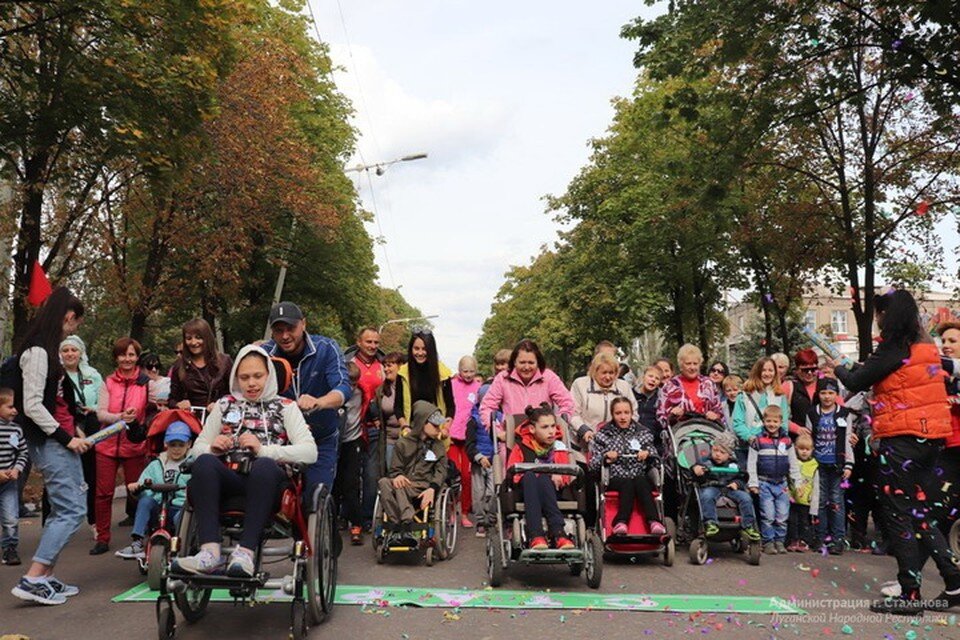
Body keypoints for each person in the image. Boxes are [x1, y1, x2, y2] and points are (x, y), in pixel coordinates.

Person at [834, 290, 960, 614]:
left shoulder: (894, 346)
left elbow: (857, 380)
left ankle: (910, 594)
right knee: (918, 512)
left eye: (879, 313)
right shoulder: (926, 346)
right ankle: (954, 580)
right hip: (931, 440)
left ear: (889, 315)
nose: (876, 319)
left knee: (897, 513)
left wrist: (839, 368)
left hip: (902, 440)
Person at [173, 345, 317, 577]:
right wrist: (213, 448)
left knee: (264, 465)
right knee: (204, 462)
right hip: (230, 479)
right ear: (236, 378)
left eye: (258, 376)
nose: (251, 383)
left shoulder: (286, 407)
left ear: (269, 375)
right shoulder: (223, 405)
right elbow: (196, 449)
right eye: (245, 377)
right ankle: (209, 552)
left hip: (270, 482)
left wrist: (264, 450)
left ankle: (246, 553)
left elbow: (310, 452)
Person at [11, 287, 90, 606]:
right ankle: (33, 576)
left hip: (62, 440)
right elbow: (31, 405)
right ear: (69, 317)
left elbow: (56, 402)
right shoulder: (38, 352)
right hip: (51, 443)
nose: (75, 329)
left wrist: (75, 430)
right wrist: (65, 438)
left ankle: (44, 576)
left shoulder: (49, 350)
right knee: (72, 510)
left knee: (66, 509)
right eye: (76, 323)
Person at [263, 301, 350, 492]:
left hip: (321, 437)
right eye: (278, 330)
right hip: (279, 439)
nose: (285, 336)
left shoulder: (327, 348)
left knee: (316, 492)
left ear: (303, 324)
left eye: (291, 328)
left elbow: (343, 386)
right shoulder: (264, 355)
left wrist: (320, 402)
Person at [91, 337, 151, 555]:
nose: (127, 359)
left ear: (137, 357)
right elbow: (100, 412)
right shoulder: (107, 382)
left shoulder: (145, 382)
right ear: (116, 357)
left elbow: (154, 408)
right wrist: (119, 418)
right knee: (103, 493)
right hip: (106, 445)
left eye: (132, 354)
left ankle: (141, 535)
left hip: (134, 445)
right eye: (123, 354)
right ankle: (102, 538)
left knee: (138, 491)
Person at [114, 421, 192, 559]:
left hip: (179, 506)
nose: (177, 449)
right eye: (173, 445)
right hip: (158, 505)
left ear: (189, 445)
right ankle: (137, 542)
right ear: (166, 444)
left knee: (183, 516)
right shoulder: (156, 465)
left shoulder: (192, 465)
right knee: (145, 501)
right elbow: (144, 481)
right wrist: (137, 486)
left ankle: (181, 548)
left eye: (181, 445)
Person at [589, 397, 663, 535]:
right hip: (615, 477)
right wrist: (605, 457)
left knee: (641, 481)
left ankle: (654, 521)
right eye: (618, 413)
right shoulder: (603, 435)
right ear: (612, 414)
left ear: (631, 413)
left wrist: (647, 453)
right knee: (627, 483)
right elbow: (593, 464)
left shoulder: (643, 433)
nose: (623, 417)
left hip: (638, 475)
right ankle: (620, 522)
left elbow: (656, 458)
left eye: (626, 413)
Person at [505, 403, 575, 550]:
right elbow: (513, 474)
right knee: (531, 475)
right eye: (545, 427)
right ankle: (536, 535)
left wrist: (558, 474)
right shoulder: (521, 447)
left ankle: (559, 533)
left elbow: (567, 477)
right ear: (532, 429)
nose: (551, 431)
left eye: (553, 426)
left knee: (543, 478)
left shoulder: (559, 448)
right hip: (526, 490)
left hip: (554, 492)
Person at [376, 401, 447, 530]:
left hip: (424, 485)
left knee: (399, 487)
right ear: (422, 423)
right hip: (405, 483)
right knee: (384, 483)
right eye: (435, 426)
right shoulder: (402, 443)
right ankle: (396, 521)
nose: (439, 429)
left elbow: (441, 471)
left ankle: (407, 522)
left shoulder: (438, 446)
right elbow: (395, 469)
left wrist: (432, 489)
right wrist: (397, 476)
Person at [479, 339, 575, 431]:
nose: (526, 367)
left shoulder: (549, 377)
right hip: (512, 438)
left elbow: (568, 403)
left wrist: (555, 426)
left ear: (538, 362)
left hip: (544, 440)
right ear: (514, 362)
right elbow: (487, 407)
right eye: (522, 362)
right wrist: (496, 431)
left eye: (531, 363)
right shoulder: (502, 378)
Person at [805, 377, 854, 555]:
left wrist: (849, 464)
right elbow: (809, 438)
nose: (827, 397)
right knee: (819, 502)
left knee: (836, 501)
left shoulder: (844, 414)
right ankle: (820, 536)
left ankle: (838, 539)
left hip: (837, 464)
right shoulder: (812, 413)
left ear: (836, 395)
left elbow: (848, 439)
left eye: (831, 393)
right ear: (818, 394)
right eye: (823, 393)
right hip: (818, 464)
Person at [60, 336, 102, 538]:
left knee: (91, 474)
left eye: (73, 350)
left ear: (80, 352)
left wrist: (93, 408)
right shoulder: (56, 375)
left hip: (92, 423)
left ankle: (94, 521)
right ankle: (56, 524)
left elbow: (104, 401)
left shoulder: (92, 374)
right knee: (63, 474)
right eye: (65, 350)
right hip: (65, 426)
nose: (69, 354)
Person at [343, 327, 385, 531]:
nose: (373, 346)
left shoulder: (383, 365)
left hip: (375, 428)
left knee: (370, 475)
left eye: (376, 342)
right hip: (351, 427)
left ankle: (367, 518)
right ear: (358, 342)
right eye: (368, 342)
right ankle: (347, 515)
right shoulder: (347, 364)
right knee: (348, 476)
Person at [748, 405, 800, 554]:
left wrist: (797, 480)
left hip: (782, 483)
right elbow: (751, 463)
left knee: (782, 515)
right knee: (768, 515)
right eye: (768, 421)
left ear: (780, 422)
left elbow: (793, 462)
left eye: (775, 421)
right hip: (764, 482)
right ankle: (768, 542)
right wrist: (753, 482)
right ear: (763, 421)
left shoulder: (787, 440)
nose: (772, 424)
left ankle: (780, 541)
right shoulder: (758, 440)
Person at [690, 431, 760, 541]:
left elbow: (743, 477)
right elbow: (697, 476)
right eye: (715, 450)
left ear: (729, 454)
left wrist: (737, 483)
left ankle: (748, 525)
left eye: (722, 452)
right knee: (706, 495)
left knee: (746, 498)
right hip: (712, 486)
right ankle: (710, 523)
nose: (717, 454)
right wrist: (696, 471)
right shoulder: (705, 462)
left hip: (729, 488)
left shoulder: (734, 464)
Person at [569, 352, 638, 450]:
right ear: (595, 371)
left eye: (611, 373)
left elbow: (633, 413)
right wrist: (583, 430)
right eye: (604, 373)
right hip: (583, 445)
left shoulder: (624, 387)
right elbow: (572, 413)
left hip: (615, 446)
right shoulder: (580, 384)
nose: (608, 377)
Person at [731, 356, 791, 470]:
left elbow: (784, 423)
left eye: (770, 370)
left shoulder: (780, 396)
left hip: (771, 449)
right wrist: (750, 438)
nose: (767, 374)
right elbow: (738, 422)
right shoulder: (744, 396)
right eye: (764, 370)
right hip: (749, 448)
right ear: (757, 372)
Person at [169, 318, 232, 415]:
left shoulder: (225, 362)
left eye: (198, 337)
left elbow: (235, 393)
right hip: (189, 419)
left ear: (207, 337)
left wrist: (221, 404)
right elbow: (172, 399)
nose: (194, 342)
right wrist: (179, 404)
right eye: (189, 338)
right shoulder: (179, 366)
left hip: (220, 417)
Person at [656, 344, 725, 431]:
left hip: (707, 432)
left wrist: (715, 416)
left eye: (695, 363)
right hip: (680, 435)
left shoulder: (708, 384)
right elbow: (660, 417)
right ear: (681, 365)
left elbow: (719, 413)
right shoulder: (670, 386)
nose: (692, 367)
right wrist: (672, 415)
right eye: (688, 363)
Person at [335, 362, 367, 545]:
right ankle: (336, 520)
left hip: (353, 440)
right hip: (335, 441)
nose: (352, 387)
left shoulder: (361, 393)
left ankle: (357, 524)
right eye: (349, 382)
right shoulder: (334, 393)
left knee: (352, 484)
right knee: (335, 484)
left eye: (355, 383)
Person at [395, 330, 454, 427]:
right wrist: (404, 426)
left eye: (424, 349)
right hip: (412, 429)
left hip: (436, 428)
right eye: (416, 348)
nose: (420, 353)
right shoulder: (403, 373)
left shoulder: (443, 373)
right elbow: (398, 407)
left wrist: (445, 427)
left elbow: (450, 406)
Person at [448, 356, 481, 528]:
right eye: (465, 371)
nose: (468, 375)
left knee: (467, 476)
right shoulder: (451, 385)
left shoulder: (478, 387)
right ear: (459, 370)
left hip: (468, 438)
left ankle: (465, 512)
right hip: (452, 436)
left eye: (471, 371)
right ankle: (452, 510)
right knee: (453, 475)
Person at [0, 388, 27, 566]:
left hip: (8, 482)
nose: (15, 410)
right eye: (10, 407)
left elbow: (23, 452)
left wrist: (17, 469)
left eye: (16, 406)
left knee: (11, 518)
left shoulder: (16, 429)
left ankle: (10, 549)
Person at [786, 433, 818, 553]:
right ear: (795, 448)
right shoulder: (793, 463)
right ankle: (792, 540)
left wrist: (814, 500)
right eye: (801, 449)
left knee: (805, 521)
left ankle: (804, 541)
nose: (804, 452)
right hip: (793, 499)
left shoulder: (815, 465)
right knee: (792, 521)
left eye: (807, 449)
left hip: (806, 500)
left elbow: (816, 484)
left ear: (812, 450)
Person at [376, 352, 405, 471]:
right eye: (385, 366)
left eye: (390, 365)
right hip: (390, 440)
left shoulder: (409, 388)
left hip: (408, 441)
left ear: (400, 366)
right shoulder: (381, 390)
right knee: (391, 475)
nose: (386, 369)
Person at [788, 349, 820, 437]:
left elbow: (842, 411)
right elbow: (777, 415)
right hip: (799, 441)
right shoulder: (789, 386)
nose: (809, 373)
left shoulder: (825, 384)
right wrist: (796, 429)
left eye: (813, 369)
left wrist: (849, 432)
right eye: (805, 370)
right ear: (797, 369)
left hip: (824, 440)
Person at [632, 365, 663, 442]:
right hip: (633, 436)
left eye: (657, 378)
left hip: (653, 438)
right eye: (650, 376)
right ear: (643, 377)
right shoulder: (632, 394)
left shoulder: (661, 398)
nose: (653, 380)